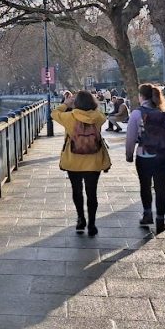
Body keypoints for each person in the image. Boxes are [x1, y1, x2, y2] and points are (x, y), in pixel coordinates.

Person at [52, 90, 111, 237]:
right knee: (92, 193)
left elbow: (54, 113)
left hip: (73, 161)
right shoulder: (98, 117)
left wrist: (66, 104)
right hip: (94, 160)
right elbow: (103, 115)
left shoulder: (69, 117)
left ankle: (80, 219)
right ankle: (92, 224)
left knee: (76, 190)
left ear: (76, 103)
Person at [125, 83, 165, 234]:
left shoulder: (136, 114)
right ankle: (160, 220)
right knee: (161, 188)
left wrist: (129, 154)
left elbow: (130, 137)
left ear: (141, 96)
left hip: (144, 156)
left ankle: (147, 214)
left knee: (145, 186)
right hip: (164, 156)